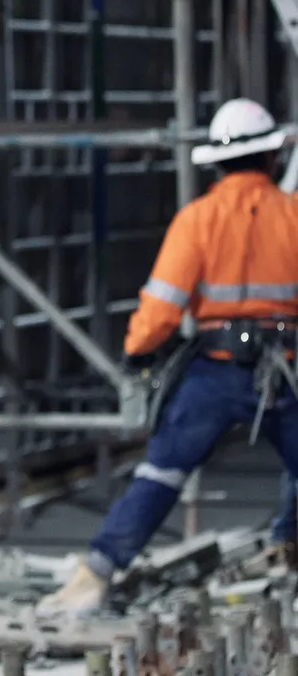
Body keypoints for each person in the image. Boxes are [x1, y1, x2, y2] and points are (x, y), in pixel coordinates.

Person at [40, 98, 298, 616]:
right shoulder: (293, 215)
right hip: (287, 367)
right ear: (271, 159)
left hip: (217, 369)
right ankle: (287, 548)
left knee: (161, 472)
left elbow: (162, 304)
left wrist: (137, 352)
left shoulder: (197, 218)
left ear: (217, 163)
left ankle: (95, 575)